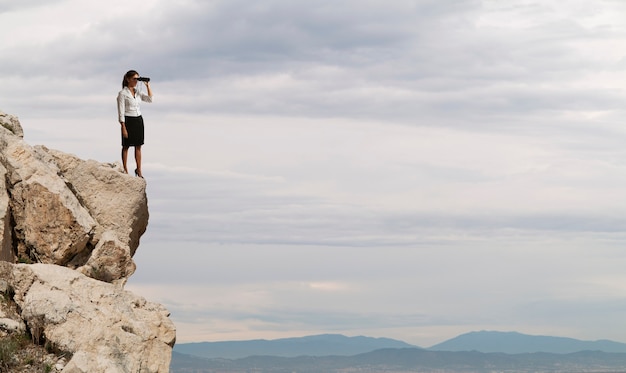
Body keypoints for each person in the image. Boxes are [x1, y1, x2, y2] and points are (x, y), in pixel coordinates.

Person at [117, 70, 153, 178]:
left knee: (138, 146)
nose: (136, 81)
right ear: (128, 79)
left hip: (138, 120)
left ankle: (139, 169)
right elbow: (121, 111)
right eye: (134, 79)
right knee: (126, 145)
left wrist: (147, 86)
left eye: (137, 79)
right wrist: (123, 126)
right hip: (128, 120)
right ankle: (125, 168)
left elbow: (150, 99)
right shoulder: (122, 93)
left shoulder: (137, 92)